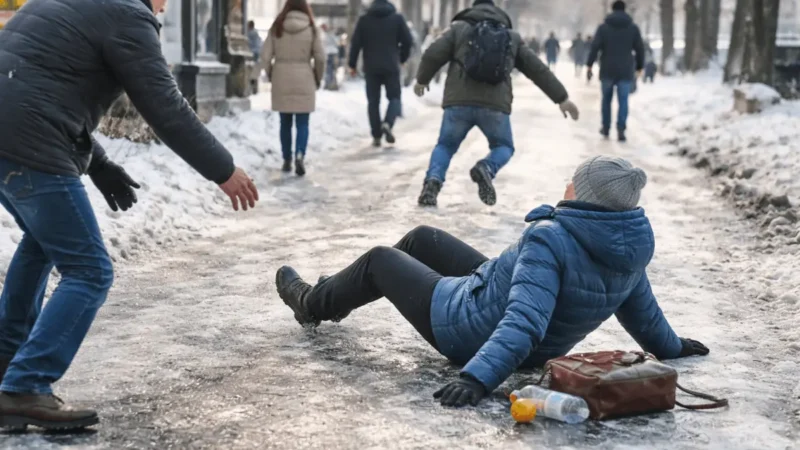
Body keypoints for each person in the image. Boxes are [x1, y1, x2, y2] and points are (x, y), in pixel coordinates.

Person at [0, 0, 259, 430]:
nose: (164, 6)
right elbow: (166, 108)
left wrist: (98, 164)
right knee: (89, 269)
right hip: (30, 140)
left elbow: (40, 82)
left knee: (42, 243)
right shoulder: (127, 16)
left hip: (11, 131)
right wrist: (224, 170)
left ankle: (8, 362)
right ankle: (25, 385)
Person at [275, 155, 710, 408]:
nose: (567, 185)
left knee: (379, 260)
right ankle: (339, 293)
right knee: (422, 238)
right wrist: (673, 347)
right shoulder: (626, 248)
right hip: (501, 305)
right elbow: (644, 313)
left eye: (574, 183)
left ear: (586, 195)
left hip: (466, 329)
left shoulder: (551, 238)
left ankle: (312, 303)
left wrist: (477, 379)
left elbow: (524, 319)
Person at [412, 0, 578, 208]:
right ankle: (486, 167)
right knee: (503, 146)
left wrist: (422, 79)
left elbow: (433, 53)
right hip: (495, 107)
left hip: (459, 103)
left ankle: (432, 184)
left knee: (445, 145)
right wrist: (561, 98)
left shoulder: (459, 29)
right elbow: (537, 69)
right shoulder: (511, 37)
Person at [262, 0, 325, 176]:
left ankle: (286, 159)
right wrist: (317, 77)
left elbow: (265, 56)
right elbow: (320, 57)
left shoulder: (277, 26)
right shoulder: (311, 28)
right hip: (304, 76)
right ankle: (300, 154)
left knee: (285, 122)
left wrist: (271, 74)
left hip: (281, 77)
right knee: (303, 122)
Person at [348, 0, 413, 147]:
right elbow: (408, 41)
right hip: (391, 65)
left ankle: (376, 135)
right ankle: (388, 123)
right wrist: (402, 58)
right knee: (395, 97)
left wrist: (352, 64)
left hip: (371, 67)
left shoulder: (364, 20)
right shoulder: (397, 18)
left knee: (373, 102)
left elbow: (355, 43)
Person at [586, 0, 645, 143]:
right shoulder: (633, 28)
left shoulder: (603, 28)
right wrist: (639, 67)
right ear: (625, 10)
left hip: (607, 68)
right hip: (625, 70)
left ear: (612, 10)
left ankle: (606, 127)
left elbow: (595, 47)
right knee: (623, 101)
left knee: (606, 100)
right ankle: (621, 129)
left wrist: (589, 65)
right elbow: (639, 48)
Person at [320, 23, 340, 90]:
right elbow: (337, 42)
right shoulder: (330, 34)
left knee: (329, 70)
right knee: (331, 69)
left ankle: (330, 84)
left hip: (329, 53)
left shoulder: (326, 35)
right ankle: (331, 84)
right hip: (332, 52)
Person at [247, 20, 263, 94]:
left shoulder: (250, 33)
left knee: (251, 70)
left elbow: (249, 43)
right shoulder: (256, 33)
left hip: (253, 54)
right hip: (257, 53)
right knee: (255, 71)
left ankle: (252, 88)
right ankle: (255, 89)